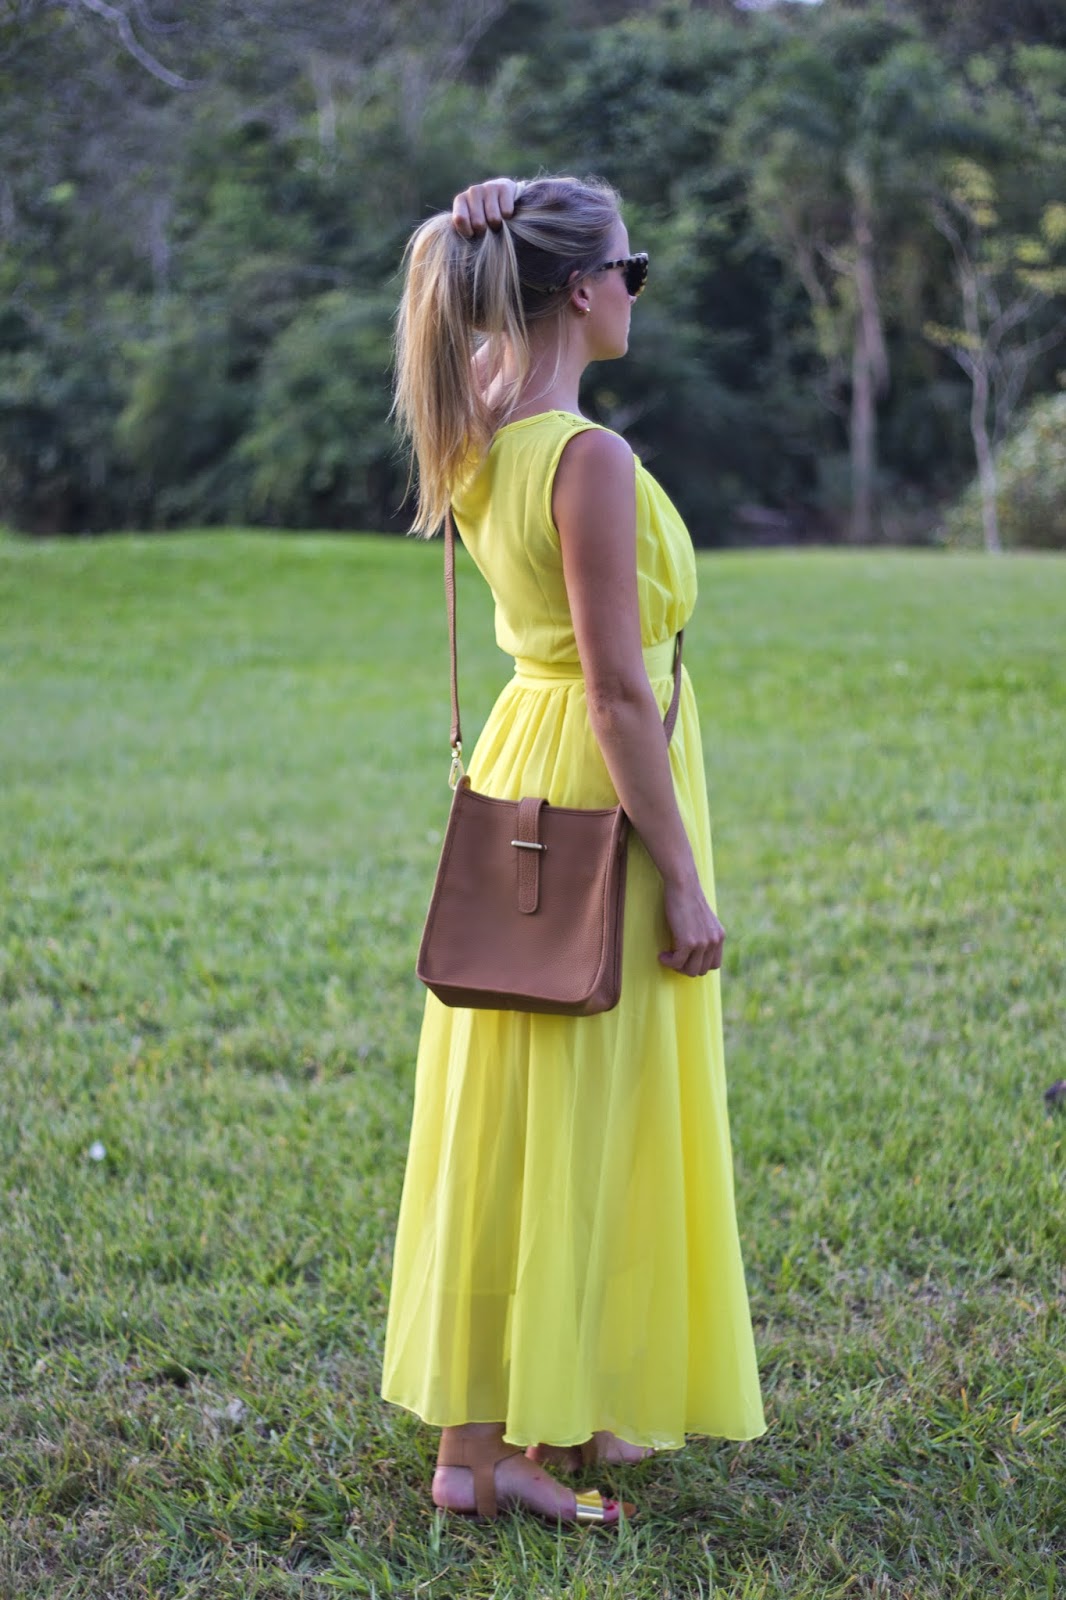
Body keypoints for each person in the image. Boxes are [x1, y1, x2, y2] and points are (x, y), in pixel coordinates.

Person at [381, 174, 765, 1526]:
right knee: (569, 1106)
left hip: (522, 765)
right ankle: (492, 1448)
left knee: (529, 1103)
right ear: (580, 292)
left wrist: (482, 222)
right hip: (599, 784)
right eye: (627, 266)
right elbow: (616, 689)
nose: (633, 288)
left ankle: (510, 1422)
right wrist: (692, 879)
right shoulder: (586, 457)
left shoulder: (475, 415)